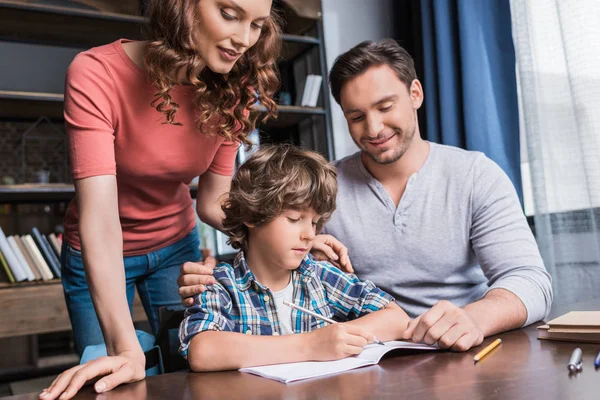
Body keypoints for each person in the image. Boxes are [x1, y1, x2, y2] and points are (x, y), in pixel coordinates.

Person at [178, 39, 553, 353]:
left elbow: (530, 281)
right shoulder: (322, 187)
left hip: (464, 350)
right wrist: (213, 278)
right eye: (356, 117)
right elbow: (271, 247)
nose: (373, 128)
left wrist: (475, 317)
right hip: (366, 359)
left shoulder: (475, 175)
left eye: (385, 107)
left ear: (415, 94)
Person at [41, 1, 281, 399]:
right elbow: (99, 217)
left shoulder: (235, 87)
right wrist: (124, 348)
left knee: (191, 373)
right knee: (112, 380)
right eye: (229, 13)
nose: (244, 39)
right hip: (97, 252)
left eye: (257, 24)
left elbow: (213, 200)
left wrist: (278, 233)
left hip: (175, 249)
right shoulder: (95, 73)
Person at [180, 144, 411, 371]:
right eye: (293, 218)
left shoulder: (320, 276)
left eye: (313, 222)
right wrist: (310, 345)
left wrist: (338, 337)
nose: (309, 234)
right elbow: (202, 352)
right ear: (251, 215)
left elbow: (397, 318)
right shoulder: (220, 284)